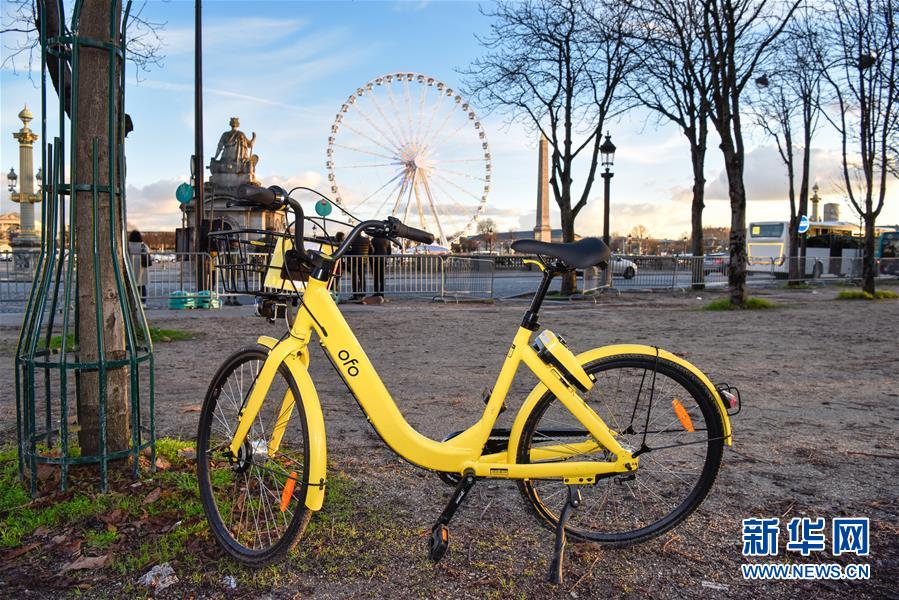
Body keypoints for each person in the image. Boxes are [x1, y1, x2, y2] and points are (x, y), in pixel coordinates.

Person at [128, 230, 151, 304]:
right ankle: (143, 303)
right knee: (142, 286)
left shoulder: (127, 246)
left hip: (130, 268)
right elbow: (148, 253)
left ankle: (131, 302)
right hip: (141, 269)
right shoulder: (143, 246)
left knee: (130, 286)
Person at [347, 232, 372, 300]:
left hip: (353, 261)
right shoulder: (366, 240)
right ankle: (363, 294)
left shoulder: (352, 240)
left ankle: (355, 295)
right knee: (362, 277)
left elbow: (348, 250)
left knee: (354, 278)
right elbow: (371, 250)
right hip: (363, 261)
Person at [371, 233, 392, 300]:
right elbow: (389, 252)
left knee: (376, 277)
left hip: (375, 260)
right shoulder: (387, 240)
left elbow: (371, 251)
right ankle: (382, 293)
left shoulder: (373, 240)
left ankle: (376, 292)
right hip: (383, 260)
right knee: (382, 276)